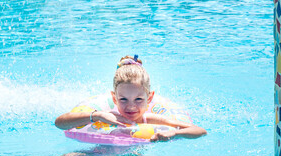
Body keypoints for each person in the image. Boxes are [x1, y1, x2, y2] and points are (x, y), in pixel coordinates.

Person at [55, 55, 207, 142]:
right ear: (114, 98)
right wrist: (97, 115)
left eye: (139, 99)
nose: (131, 107)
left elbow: (200, 130)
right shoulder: (108, 117)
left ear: (150, 97)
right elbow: (60, 123)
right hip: (101, 153)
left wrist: (175, 133)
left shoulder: (149, 119)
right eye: (123, 100)